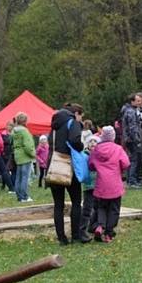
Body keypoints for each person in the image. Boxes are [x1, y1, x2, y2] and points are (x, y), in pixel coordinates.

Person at [49, 103, 90, 244]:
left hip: (54, 166)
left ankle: (61, 238)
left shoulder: (54, 125)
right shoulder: (73, 123)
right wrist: (81, 147)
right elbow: (75, 141)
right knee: (76, 202)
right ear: (76, 113)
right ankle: (76, 234)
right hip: (69, 165)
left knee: (58, 204)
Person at [89, 126, 129, 242]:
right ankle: (109, 234)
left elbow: (90, 165)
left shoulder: (96, 149)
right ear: (113, 137)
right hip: (115, 185)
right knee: (114, 209)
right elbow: (125, 163)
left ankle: (100, 226)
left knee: (101, 207)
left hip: (101, 185)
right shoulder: (118, 149)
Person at [121, 93, 142, 188]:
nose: (138, 102)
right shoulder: (131, 111)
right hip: (132, 139)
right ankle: (132, 181)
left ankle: (130, 179)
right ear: (132, 101)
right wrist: (137, 139)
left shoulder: (127, 110)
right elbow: (132, 127)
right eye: (136, 100)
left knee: (130, 159)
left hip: (128, 138)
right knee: (134, 160)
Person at [11, 112, 35, 203]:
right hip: (25, 156)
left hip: (18, 156)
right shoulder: (25, 131)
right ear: (25, 121)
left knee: (18, 177)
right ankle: (24, 196)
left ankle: (19, 196)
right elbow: (28, 145)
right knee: (25, 177)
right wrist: (33, 154)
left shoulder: (14, 131)